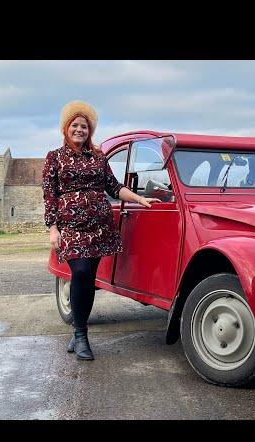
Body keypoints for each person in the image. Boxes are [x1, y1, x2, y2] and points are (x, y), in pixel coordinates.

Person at [42, 100, 161, 361]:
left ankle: (78, 331)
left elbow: (114, 187)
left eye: (84, 126)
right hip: (70, 226)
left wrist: (140, 199)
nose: (79, 130)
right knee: (80, 272)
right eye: (75, 125)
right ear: (66, 128)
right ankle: (82, 334)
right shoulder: (55, 158)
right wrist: (53, 228)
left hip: (99, 226)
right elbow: (50, 196)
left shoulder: (98, 157)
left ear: (90, 130)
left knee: (88, 278)